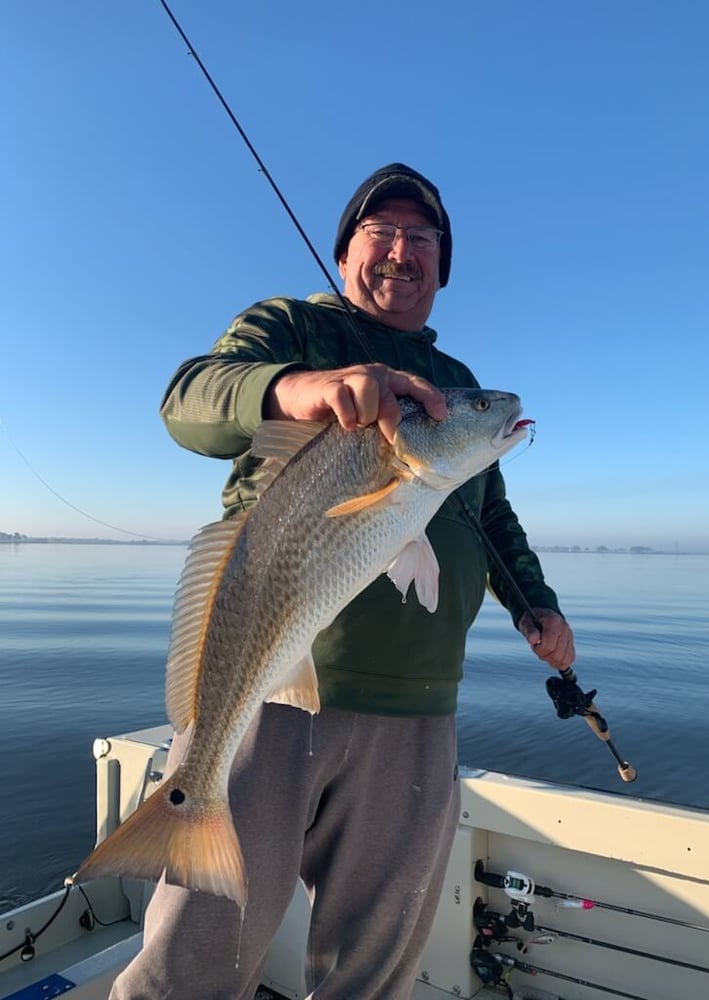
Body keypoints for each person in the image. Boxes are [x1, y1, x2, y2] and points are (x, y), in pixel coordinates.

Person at [110, 163, 575, 1000]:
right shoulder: (290, 328)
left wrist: (534, 602)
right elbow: (188, 399)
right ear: (344, 253)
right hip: (271, 695)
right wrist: (300, 386)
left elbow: (488, 516)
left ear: (441, 266)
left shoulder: (449, 382)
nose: (403, 252)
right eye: (382, 233)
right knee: (193, 966)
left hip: (421, 707)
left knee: (375, 974)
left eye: (423, 239)